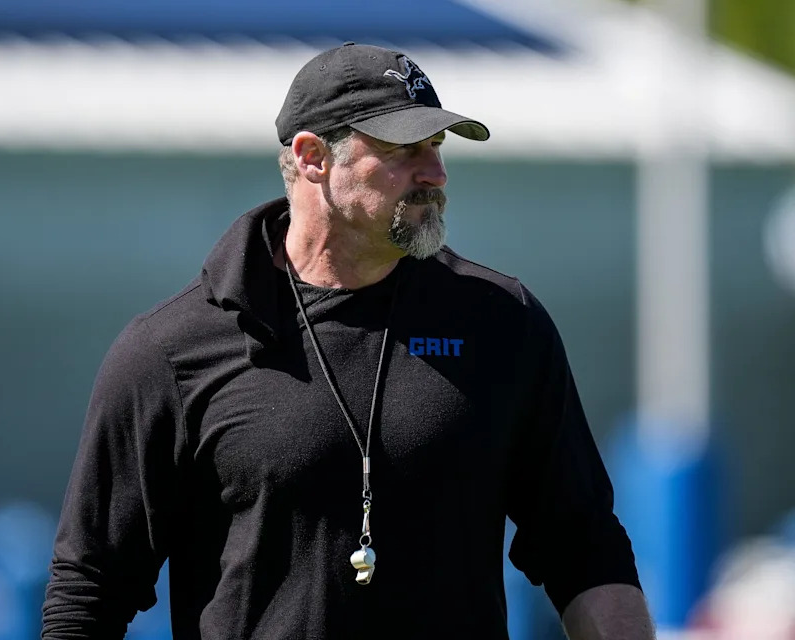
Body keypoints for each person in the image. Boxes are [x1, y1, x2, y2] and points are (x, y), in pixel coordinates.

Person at [42, 42, 654, 640]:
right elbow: (90, 591)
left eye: (437, 146)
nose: (435, 173)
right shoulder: (171, 350)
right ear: (312, 157)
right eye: (403, 148)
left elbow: (583, 545)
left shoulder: (502, 324)